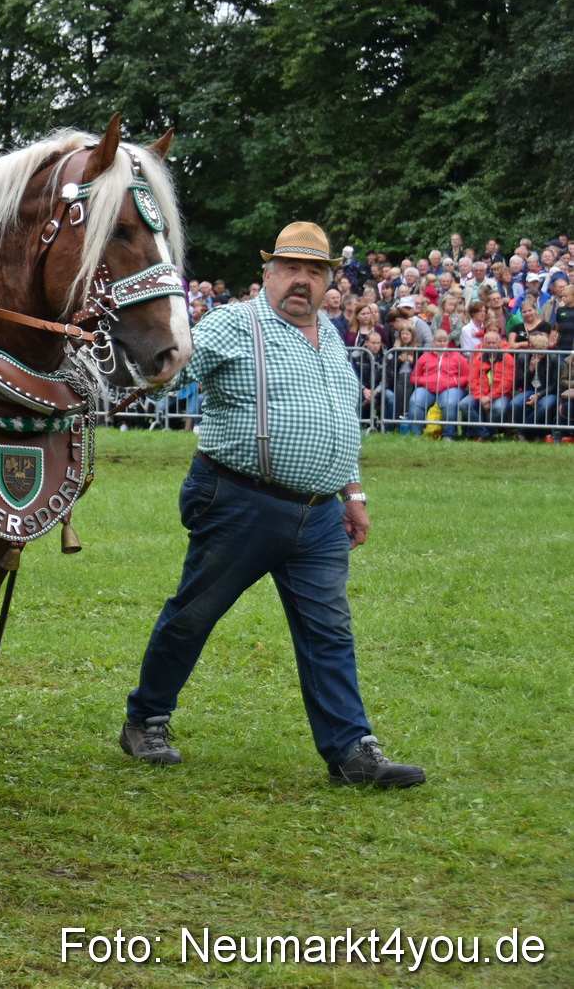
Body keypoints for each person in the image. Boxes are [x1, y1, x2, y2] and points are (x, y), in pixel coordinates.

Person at [120, 222, 423, 788]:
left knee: (329, 630)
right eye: (291, 268)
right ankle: (146, 718)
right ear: (269, 274)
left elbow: (340, 422)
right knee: (194, 615)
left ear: (331, 281)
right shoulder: (236, 323)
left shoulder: (332, 335)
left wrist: (352, 494)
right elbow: (163, 375)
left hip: (321, 515)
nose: (302, 281)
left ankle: (352, 750)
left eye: (314, 271)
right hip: (240, 501)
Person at [457, 330, 514, 440]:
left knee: (499, 408)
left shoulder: (507, 358)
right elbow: (472, 381)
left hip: (500, 394)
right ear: (483, 343)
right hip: (480, 394)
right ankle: (485, 434)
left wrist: (490, 397)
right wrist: (482, 397)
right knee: (464, 404)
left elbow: (507, 383)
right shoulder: (478, 359)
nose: (491, 345)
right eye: (488, 343)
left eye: (493, 343)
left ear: (499, 343)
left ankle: (485, 434)